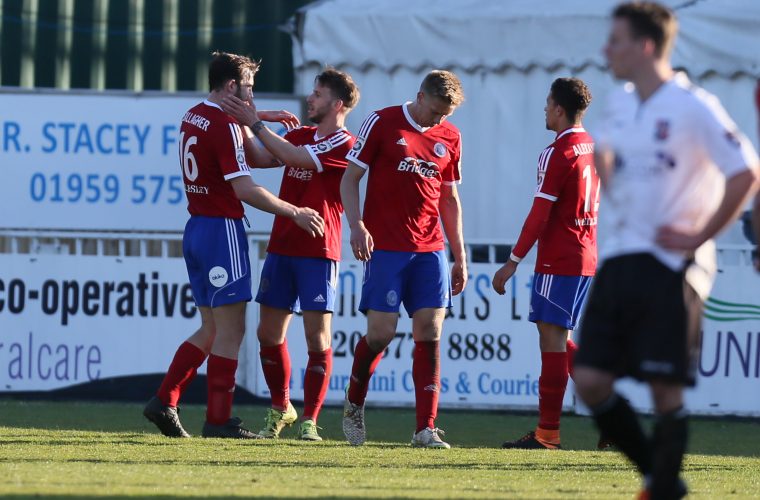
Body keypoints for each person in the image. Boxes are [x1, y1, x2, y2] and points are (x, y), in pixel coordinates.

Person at [572, 3, 759, 499]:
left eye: (615, 41)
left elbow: (746, 172)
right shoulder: (618, 102)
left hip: (673, 264)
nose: (605, 50)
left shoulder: (694, 105)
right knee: (589, 378)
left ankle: (659, 486)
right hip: (620, 254)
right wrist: (612, 179)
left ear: (646, 46)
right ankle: (662, 478)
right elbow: (603, 149)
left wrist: (700, 237)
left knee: (663, 388)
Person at [143, 51, 325, 439]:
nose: (251, 93)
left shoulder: (194, 114)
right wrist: (293, 211)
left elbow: (255, 156)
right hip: (221, 231)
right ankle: (219, 420)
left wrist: (263, 122)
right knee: (230, 331)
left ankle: (165, 400)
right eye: (248, 87)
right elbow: (244, 187)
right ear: (231, 87)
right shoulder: (223, 124)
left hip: (196, 229)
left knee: (211, 329)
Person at [220, 68, 360, 441]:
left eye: (317, 94)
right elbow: (262, 157)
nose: (310, 99)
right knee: (268, 334)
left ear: (337, 104)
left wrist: (256, 122)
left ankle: (311, 419)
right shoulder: (299, 134)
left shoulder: (345, 143)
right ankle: (281, 407)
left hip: (318, 249)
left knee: (317, 339)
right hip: (282, 245)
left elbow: (297, 158)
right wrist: (252, 120)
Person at [341, 70, 467, 449]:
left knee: (429, 333)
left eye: (447, 115)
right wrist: (357, 226)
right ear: (420, 96)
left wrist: (459, 255)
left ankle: (425, 428)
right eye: (436, 112)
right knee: (380, 335)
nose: (439, 121)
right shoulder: (382, 121)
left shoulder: (450, 137)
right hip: (386, 249)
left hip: (430, 249)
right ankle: (353, 404)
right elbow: (350, 179)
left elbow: (449, 199)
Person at [492, 77, 598, 450]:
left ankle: (548, 433)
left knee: (551, 341)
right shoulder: (591, 147)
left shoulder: (559, 151)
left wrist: (512, 261)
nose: (544, 109)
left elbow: (540, 212)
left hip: (559, 258)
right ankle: (613, 416)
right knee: (560, 339)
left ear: (558, 109)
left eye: (547, 102)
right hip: (584, 254)